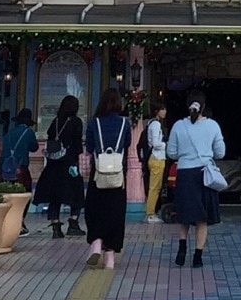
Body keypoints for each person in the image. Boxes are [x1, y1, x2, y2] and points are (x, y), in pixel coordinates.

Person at [164, 96, 225, 270]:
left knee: (183, 215)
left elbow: (172, 153)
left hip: (184, 173)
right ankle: (197, 256)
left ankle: (182, 248)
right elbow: (220, 152)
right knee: (202, 218)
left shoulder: (178, 125)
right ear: (204, 106)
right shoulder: (213, 126)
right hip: (204, 174)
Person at [83, 88, 134, 269]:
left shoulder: (93, 123)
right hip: (118, 175)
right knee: (115, 213)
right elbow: (127, 144)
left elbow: (89, 147)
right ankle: (110, 257)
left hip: (98, 173)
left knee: (95, 209)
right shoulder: (124, 123)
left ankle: (96, 242)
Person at [36, 93, 85, 239]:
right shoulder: (76, 122)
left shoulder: (55, 121)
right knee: (76, 193)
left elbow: (50, 138)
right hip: (69, 163)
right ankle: (73, 221)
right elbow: (77, 143)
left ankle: (56, 226)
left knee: (54, 196)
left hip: (53, 164)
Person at [140, 100, 168, 221]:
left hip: (154, 157)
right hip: (157, 157)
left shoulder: (151, 123)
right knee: (155, 187)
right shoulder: (156, 124)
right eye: (162, 109)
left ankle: (151, 212)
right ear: (157, 111)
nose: (165, 112)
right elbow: (156, 143)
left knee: (154, 186)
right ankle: (150, 213)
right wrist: (166, 145)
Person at [1, 107, 38, 190]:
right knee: (24, 193)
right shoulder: (28, 132)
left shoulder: (8, 133)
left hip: (6, 169)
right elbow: (34, 147)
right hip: (20, 168)